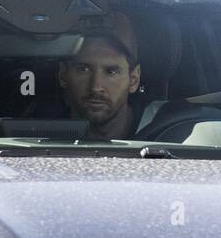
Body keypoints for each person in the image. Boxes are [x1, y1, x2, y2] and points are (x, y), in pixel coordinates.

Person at [55, 11, 150, 141]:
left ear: (133, 80)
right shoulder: (35, 134)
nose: (96, 86)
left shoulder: (168, 132)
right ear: (63, 75)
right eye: (84, 69)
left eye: (111, 72)